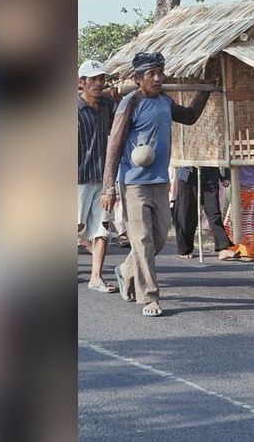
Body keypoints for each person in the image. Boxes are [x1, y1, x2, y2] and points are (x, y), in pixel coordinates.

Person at [100, 52, 212, 317]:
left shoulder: (164, 101)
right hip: (133, 184)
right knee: (141, 239)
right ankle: (149, 297)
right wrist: (109, 188)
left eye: (161, 73)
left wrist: (205, 91)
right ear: (138, 78)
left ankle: (126, 270)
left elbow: (189, 116)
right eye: (152, 73)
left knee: (159, 238)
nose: (159, 78)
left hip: (160, 181)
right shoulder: (130, 103)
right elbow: (114, 147)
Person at [78, 60, 118, 293]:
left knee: (102, 229)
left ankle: (96, 277)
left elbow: (118, 124)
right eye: (93, 79)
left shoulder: (106, 105)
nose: (98, 83)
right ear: (80, 83)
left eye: (101, 79)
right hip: (77, 178)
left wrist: (117, 99)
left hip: (103, 179)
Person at [171, 166, 237, 259]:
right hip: (187, 172)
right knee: (187, 212)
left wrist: (226, 175)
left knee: (214, 210)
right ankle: (184, 249)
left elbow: (222, 152)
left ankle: (223, 248)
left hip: (210, 170)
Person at [224, 165, 254, 260]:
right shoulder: (237, 154)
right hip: (239, 188)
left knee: (252, 224)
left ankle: (250, 251)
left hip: (252, 190)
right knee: (238, 222)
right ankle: (236, 249)